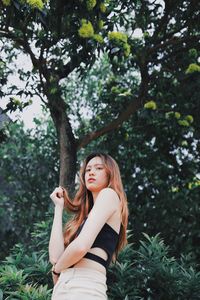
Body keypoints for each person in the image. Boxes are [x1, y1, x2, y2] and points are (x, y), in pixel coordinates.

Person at [49, 152, 129, 300]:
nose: (91, 172)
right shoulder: (85, 218)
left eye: (99, 168)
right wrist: (58, 208)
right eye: (88, 169)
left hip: (84, 286)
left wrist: (57, 270)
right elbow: (55, 257)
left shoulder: (109, 194)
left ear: (110, 174)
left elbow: (80, 247)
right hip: (66, 288)